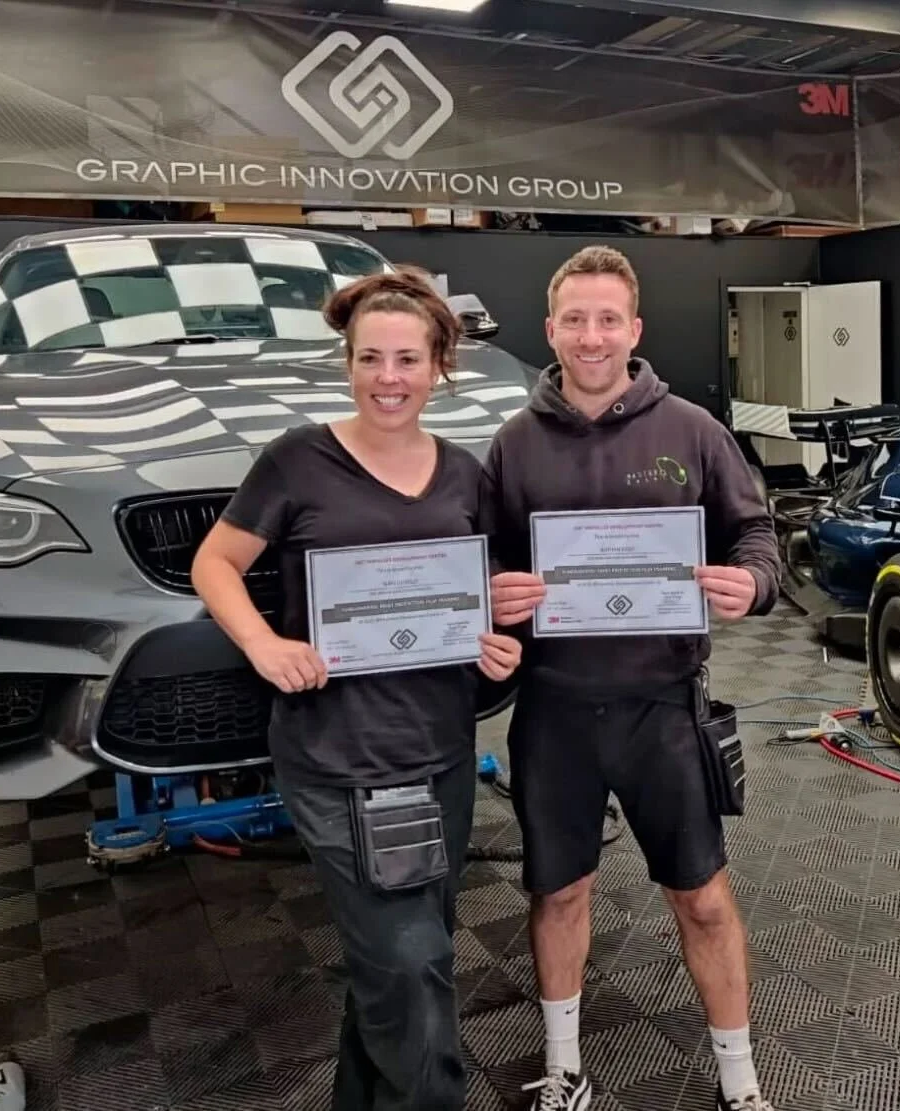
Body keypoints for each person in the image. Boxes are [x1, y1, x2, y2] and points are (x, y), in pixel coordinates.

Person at [191, 266, 522, 1111]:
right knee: (410, 961)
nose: (387, 378)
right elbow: (215, 562)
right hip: (335, 757)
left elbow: (475, 593)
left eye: (407, 359)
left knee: (404, 958)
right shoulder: (295, 461)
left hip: (440, 753)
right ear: (347, 363)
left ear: (439, 365)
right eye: (369, 358)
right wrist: (263, 642)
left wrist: (494, 644)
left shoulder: (464, 474)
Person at [481, 245, 782, 1111]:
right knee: (558, 891)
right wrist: (492, 591)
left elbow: (755, 535)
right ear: (550, 330)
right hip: (554, 710)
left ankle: (739, 1082)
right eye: (575, 319)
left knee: (703, 897)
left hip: (663, 706)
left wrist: (752, 582)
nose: (591, 335)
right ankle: (564, 1069)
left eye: (607, 318)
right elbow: (484, 559)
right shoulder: (513, 443)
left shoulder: (692, 430)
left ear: (634, 329)